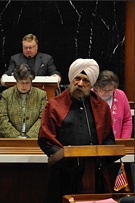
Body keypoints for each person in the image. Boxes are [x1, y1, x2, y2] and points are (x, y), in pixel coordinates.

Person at [38, 58, 115, 203]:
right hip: (63, 174)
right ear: (72, 79)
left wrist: (100, 160)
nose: (80, 83)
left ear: (91, 83)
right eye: (77, 79)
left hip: (94, 173)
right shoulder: (54, 105)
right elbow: (45, 138)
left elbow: (108, 138)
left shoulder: (102, 107)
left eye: (85, 80)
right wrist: (63, 159)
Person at [0, 63, 47, 138]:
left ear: (31, 81)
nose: (24, 86)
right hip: (10, 140)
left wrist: (29, 136)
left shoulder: (41, 95)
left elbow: (43, 118)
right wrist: (16, 136)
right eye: (21, 83)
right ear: (16, 81)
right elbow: (2, 119)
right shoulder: (6, 95)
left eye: (27, 83)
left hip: (34, 139)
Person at [92, 70, 132, 139]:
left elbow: (127, 120)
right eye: (104, 90)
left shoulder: (121, 95)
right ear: (96, 87)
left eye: (110, 90)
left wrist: (124, 141)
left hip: (117, 143)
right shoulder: (90, 96)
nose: (107, 93)